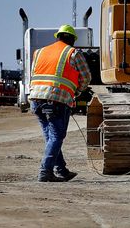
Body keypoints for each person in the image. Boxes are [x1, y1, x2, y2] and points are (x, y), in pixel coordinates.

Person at [28, 24, 91, 182]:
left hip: (36, 98)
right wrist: (76, 92)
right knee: (56, 136)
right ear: (70, 39)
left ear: (58, 36)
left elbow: (33, 74)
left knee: (51, 136)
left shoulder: (40, 52)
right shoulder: (72, 52)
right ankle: (45, 171)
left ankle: (61, 170)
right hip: (57, 99)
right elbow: (86, 77)